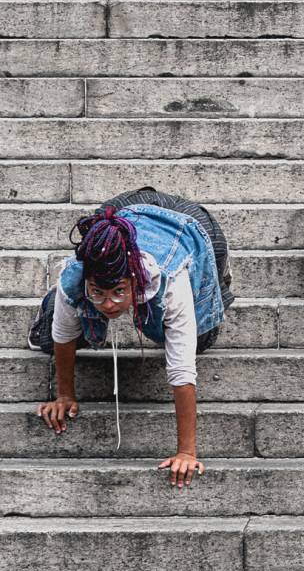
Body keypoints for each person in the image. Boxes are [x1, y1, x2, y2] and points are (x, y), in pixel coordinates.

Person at [27, 188, 234, 488]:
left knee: (202, 337)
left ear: (135, 280)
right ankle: (57, 304)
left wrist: (186, 452)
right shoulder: (75, 277)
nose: (109, 304)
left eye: (118, 292)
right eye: (98, 292)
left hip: (191, 226)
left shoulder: (170, 280)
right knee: (64, 320)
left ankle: (220, 276)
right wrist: (64, 395)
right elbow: (62, 336)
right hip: (122, 212)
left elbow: (182, 370)